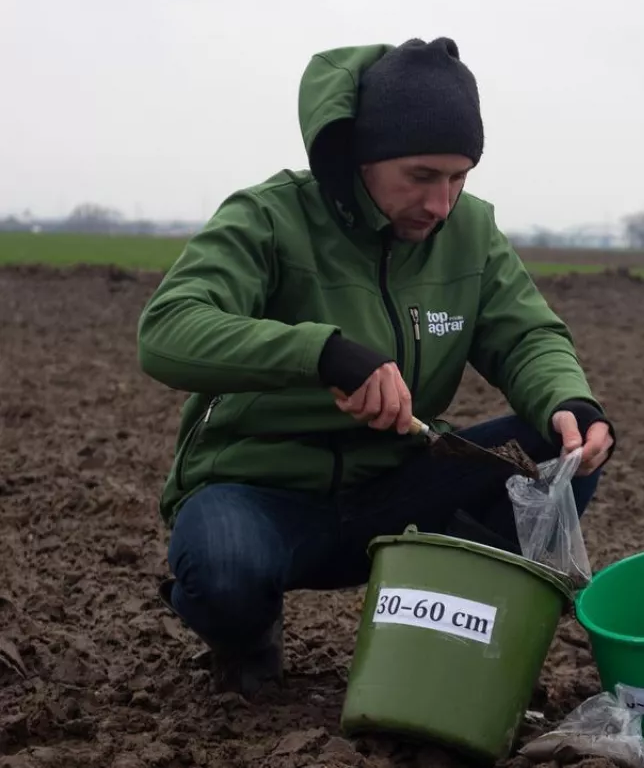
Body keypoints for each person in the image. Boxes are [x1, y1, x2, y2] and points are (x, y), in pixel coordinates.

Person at [136, 36, 616, 696]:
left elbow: (526, 332)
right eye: (421, 176)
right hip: (260, 491)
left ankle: (443, 638)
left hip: (399, 483)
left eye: (459, 177)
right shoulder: (270, 217)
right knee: (224, 573)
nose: (441, 203)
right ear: (362, 153)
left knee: (559, 457)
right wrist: (321, 351)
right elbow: (167, 329)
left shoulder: (470, 232)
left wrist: (570, 400)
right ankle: (244, 632)